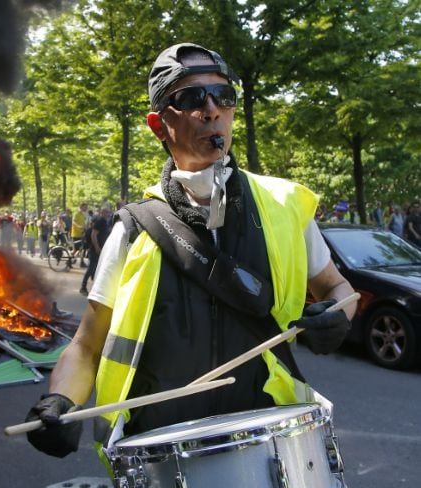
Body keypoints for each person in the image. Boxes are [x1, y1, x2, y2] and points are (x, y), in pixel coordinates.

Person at [24, 43, 357, 462]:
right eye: (191, 98)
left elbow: (337, 286)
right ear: (158, 125)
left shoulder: (285, 205)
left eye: (224, 96)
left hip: (267, 443)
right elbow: (86, 346)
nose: (211, 109)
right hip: (164, 455)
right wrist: (60, 402)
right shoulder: (132, 230)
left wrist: (337, 316)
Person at [79, 203, 112, 296]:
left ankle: (96, 289)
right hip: (95, 250)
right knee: (91, 269)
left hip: (101, 250)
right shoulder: (100, 221)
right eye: (106, 212)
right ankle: (83, 287)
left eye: (109, 212)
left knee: (98, 269)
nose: (108, 214)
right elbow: (94, 234)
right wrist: (97, 247)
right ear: (102, 213)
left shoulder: (105, 222)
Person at [71, 203, 89, 268]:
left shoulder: (83, 215)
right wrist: (79, 226)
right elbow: (73, 222)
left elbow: (84, 223)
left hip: (81, 234)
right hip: (75, 234)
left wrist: (86, 227)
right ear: (81, 207)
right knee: (76, 250)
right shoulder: (76, 214)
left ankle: (81, 262)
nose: (86, 208)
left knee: (82, 248)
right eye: (85, 207)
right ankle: (70, 259)